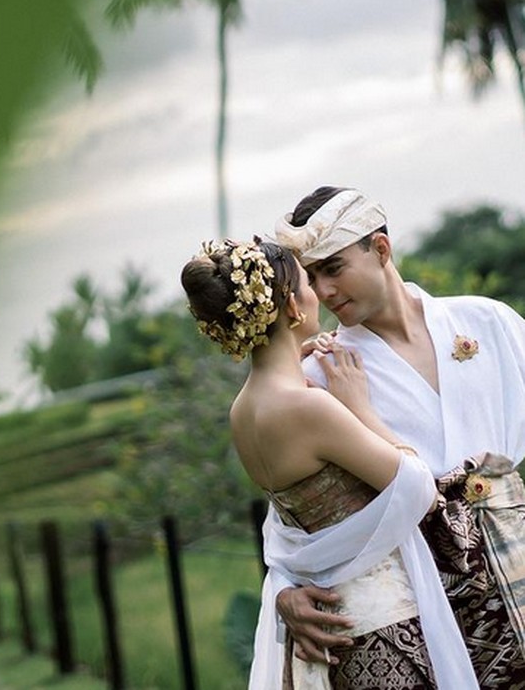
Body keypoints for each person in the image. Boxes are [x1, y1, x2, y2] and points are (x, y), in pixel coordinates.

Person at [181, 237, 478, 689]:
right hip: (384, 627)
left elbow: (294, 527)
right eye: (307, 282)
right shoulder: (308, 407)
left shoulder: (242, 412)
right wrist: (360, 409)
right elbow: (417, 489)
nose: (319, 292)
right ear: (292, 306)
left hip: (327, 634)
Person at [268, 185, 525, 687]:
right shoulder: (321, 373)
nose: (323, 291)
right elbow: (297, 514)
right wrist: (283, 590)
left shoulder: (487, 321)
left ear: (381, 249)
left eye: (334, 268)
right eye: (312, 277)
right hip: (429, 602)